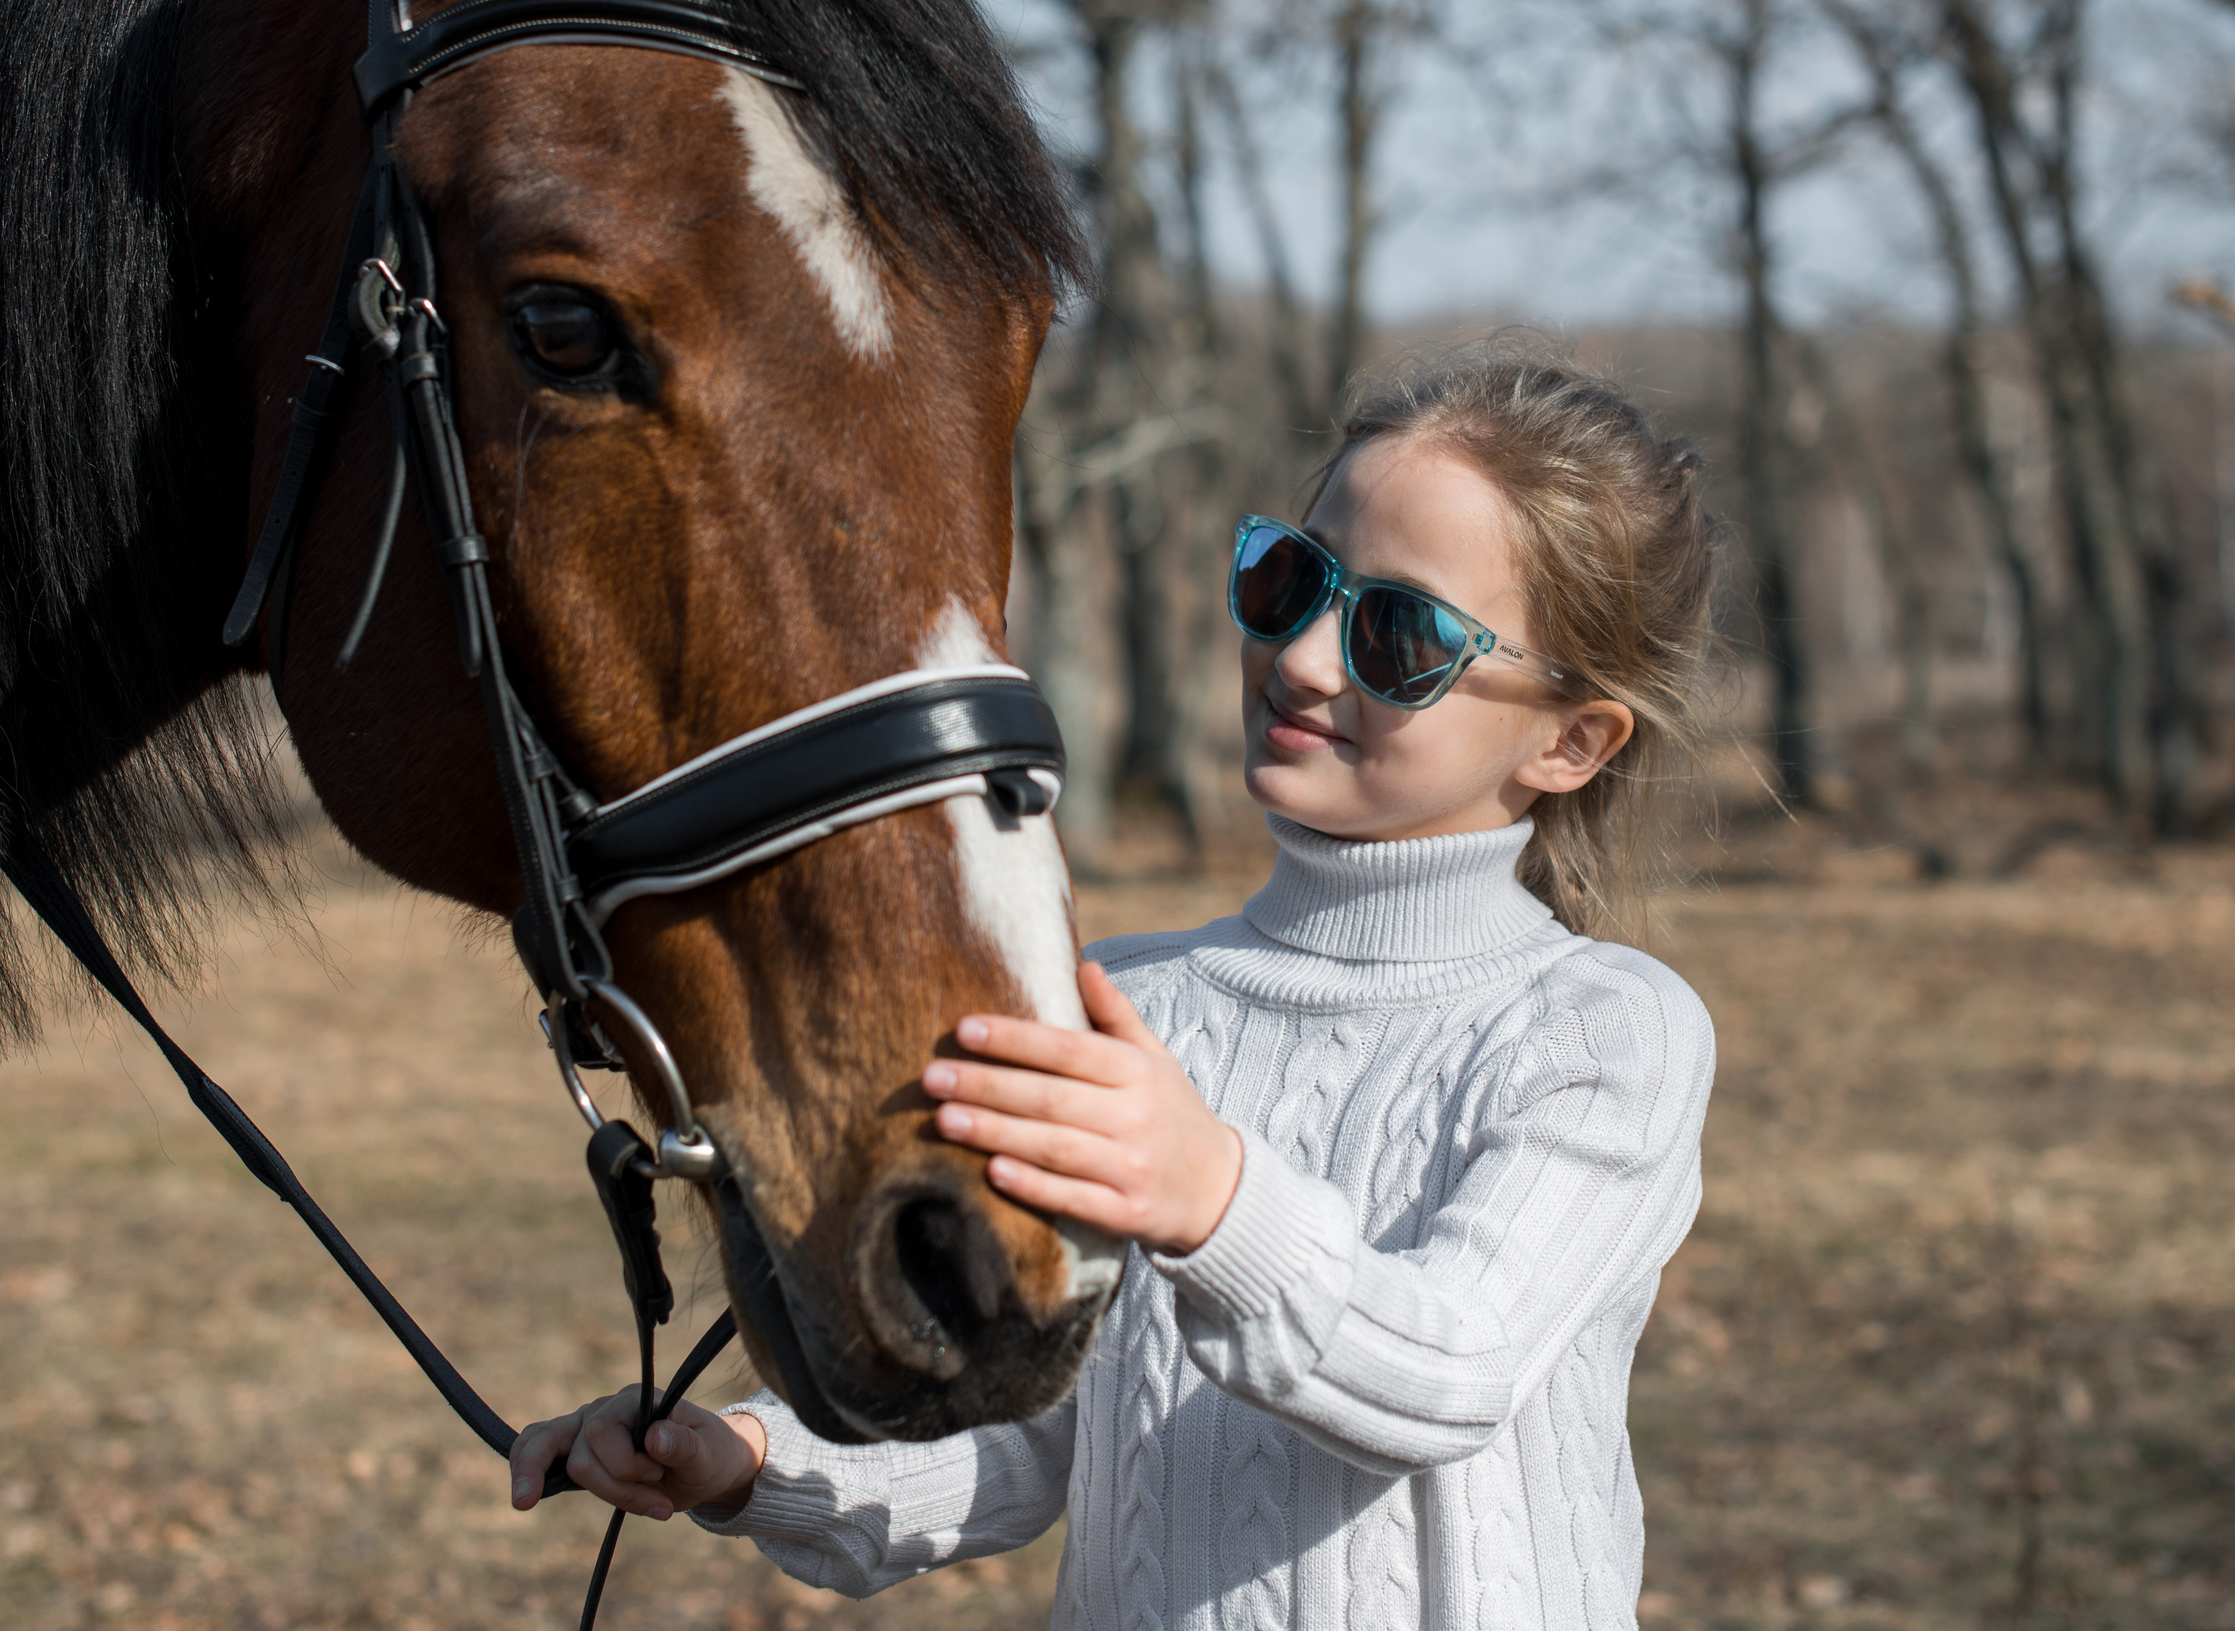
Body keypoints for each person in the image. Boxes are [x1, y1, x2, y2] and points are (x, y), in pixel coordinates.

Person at [510, 343, 1725, 1629]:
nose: (1306, 659)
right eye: (1291, 577)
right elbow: (1038, 1440)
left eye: (1397, 632)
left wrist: (1208, 1195)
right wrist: (752, 1464)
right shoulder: (1132, 1005)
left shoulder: (1601, 1032)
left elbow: (1446, 1369)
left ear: (1569, 739)